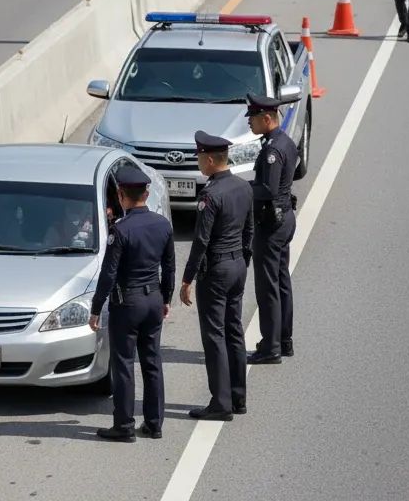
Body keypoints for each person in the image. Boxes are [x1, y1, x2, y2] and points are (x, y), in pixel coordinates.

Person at [89, 166, 175, 443]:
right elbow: (169, 267)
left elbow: (109, 273)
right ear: (147, 193)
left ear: (121, 194)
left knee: (124, 363)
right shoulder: (163, 225)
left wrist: (95, 307)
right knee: (152, 362)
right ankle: (154, 423)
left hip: (128, 303)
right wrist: (166, 298)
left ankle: (124, 425)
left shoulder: (121, 230)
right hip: (154, 299)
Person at [179, 131, 254, 421]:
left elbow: (201, 241)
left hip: (217, 271)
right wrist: (243, 260)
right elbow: (249, 231)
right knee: (234, 330)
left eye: (199, 157)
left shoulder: (210, 195)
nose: (198, 162)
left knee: (214, 336)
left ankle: (220, 403)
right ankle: (238, 397)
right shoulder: (243, 187)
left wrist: (187, 279)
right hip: (237, 266)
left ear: (210, 160)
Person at [245, 94, 298, 365]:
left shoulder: (272, 150)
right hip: (285, 218)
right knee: (281, 282)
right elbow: (296, 172)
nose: (250, 124)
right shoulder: (284, 142)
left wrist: (242, 188)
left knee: (268, 287)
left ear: (267, 118)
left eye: (253, 119)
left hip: (271, 223)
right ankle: (284, 340)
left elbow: (268, 188)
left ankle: (271, 347)